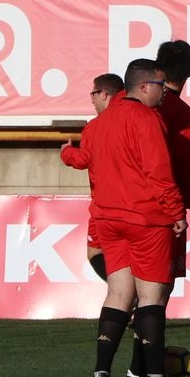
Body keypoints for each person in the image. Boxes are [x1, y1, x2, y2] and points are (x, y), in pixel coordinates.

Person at [85, 58, 187, 377]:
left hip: (109, 219)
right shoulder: (148, 119)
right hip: (145, 219)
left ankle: (101, 371)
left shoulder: (98, 123)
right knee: (151, 296)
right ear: (144, 86)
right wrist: (176, 212)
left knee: (118, 293)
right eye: (160, 86)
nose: (164, 92)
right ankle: (155, 374)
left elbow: (86, 161)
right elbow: (159, 172)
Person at [119, 40, 190, 377]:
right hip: (160, 212)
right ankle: (145, 368)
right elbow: (185, 169)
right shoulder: (179, 113)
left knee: (131, 293)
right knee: (156, 293)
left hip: (118, 209)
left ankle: (126, 368)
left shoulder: (123, 108)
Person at [60, 73, 124, 281]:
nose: (92, 99)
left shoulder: (95, 127)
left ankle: (125, 293)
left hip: (105, 207)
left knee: (96, 252)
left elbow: (82, 160)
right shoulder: (143, 118)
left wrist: (66, 152)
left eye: (94, 94)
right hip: (137, 205)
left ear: (104, 94)